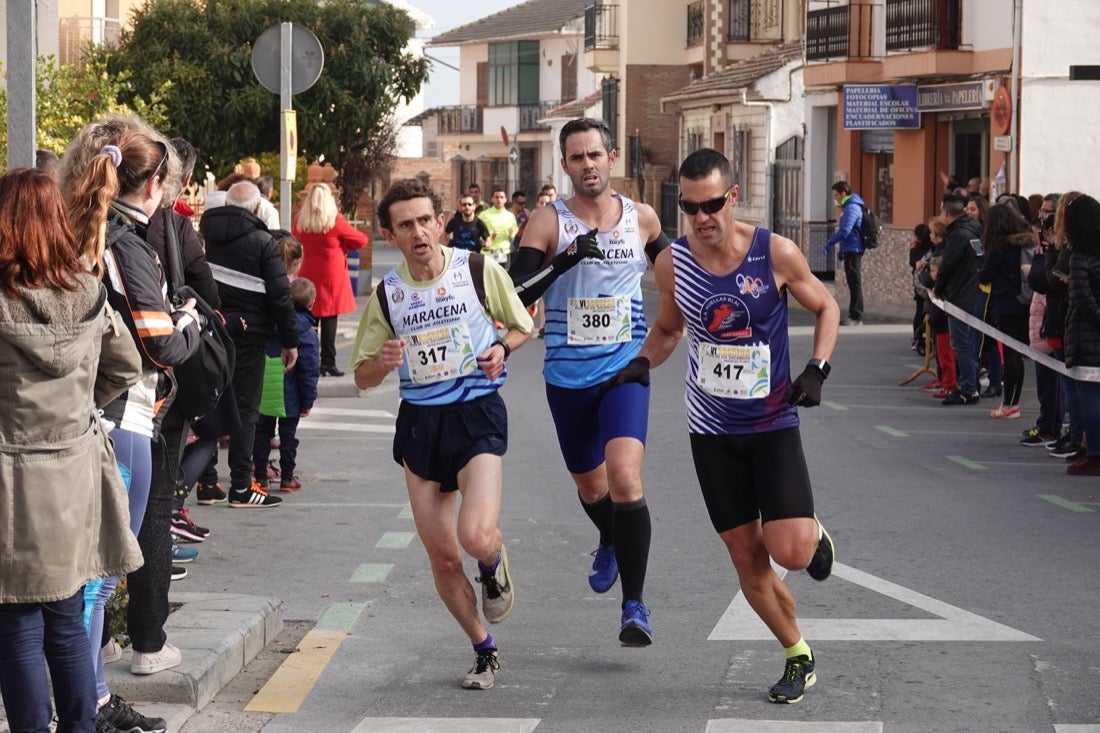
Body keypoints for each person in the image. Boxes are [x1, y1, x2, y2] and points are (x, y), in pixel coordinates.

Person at [610, 147, 837, 704]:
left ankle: (812, 533)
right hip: (711, 432)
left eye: (711, 204)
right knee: (745, 557)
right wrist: (642, 360)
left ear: (732, 196)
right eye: (690, 208)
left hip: (773, 422)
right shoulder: (673, 265)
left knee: (791, 553)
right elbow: (667, 331)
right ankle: (797, 654)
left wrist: (817, 369)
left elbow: (826, 307)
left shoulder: (775, 253)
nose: (702, 217)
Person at [350, 178, 533, 690]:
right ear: (390, 234)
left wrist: (502, 348)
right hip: (421, 423)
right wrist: (382, 364)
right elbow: (361, 374)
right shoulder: (388, 295)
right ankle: (483, 648)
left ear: (441, 221)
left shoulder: (475, 269)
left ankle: (494, 562)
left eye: (425, 220)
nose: (418, 232)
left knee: (475, 536)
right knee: (443, 556)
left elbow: (522, 326)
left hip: (476, 413)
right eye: (405, 225)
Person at [61, 115, 203, 732]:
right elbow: (162, 344)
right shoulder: (126, 241)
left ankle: (86, 697)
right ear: (154, 184)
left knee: (88, 574)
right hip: (121, 416)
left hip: (89, 413)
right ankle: (89, 702)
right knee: (99, 573)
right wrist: (190, 319)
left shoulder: (79, 227)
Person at [508, 117, 669, 645]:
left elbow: (675, 277)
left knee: (625, 479)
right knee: (592, 485)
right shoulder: (547, 222)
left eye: (595, 155)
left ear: (611, 157)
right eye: (576, 158)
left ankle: (636, 606)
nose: (588, 165)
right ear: (565, 165)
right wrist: (565, 260)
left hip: (624, 368)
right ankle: (608, 537)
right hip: (567, 376)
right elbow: (516, 290)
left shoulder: (641, 219)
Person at [0, 167, 144, 733]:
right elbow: (127, 367)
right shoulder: (88, 293)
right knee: (66, 620)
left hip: (11, 480)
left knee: (15, 627)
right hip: (76, 475)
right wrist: (81, 404)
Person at [200, 180, 299, 508]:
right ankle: (241, 487)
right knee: (245, 408)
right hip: (251, 336)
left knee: (209, 402)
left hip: (212, 330)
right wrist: (290, 340)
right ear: (258, 209)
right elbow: (280, 296)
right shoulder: (262, 242)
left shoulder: (205, 237)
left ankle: (207, 481)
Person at [293, 182, 367, 377]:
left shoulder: (300, 221)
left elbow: (294, 240)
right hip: (331, 274)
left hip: (309, 273)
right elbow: (361, 239)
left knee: (310, 320)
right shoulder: (335, 220)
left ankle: (310, 361)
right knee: (330, 319)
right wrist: (343, 247)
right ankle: (328, 362)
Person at [253, 276, 319, 492]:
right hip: (290, 394)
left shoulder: (272, 324)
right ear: (311, 304)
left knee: (263, 434)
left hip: (266, 390)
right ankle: (287, 478)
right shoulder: (306, 333)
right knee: (288, 439)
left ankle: (260, 477)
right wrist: (307, 402)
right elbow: (309, 371)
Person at [978, 203, 1035, 419]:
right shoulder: (1024, 241)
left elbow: (985, 276)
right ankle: (1014, 402)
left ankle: (1009, 405)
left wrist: (981, 263)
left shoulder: (999, 246)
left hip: (1005, 304)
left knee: (1010, 355)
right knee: (1017, 354)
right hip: (1024, 302)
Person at [1062, 193, 1100, 476]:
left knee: (1090, 396)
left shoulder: (1079, 257)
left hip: (1087, 337)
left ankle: (1095, 453)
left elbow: (1084, 300)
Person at [932, 193, 983, 405]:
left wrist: (938, 287)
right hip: (973, 293)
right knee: (968, 342)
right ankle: (972, 384)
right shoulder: (974, 231)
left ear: (945, 213)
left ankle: (969, 387)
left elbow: (948, 265)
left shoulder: (958, 235)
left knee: (961, 343)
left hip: (960, 296)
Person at [823, 181, 866, 326]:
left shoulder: (852, 207)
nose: (835, 198)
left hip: (853, 249)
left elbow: (845, 231)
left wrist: (830, 242)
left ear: (843, 193)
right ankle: (854, 314)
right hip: (850, 249)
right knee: (853, 282)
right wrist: (841, 250)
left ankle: (856, 316)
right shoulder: (849, 207)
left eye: (836, 195)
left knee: (855, 283)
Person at [478, 187, 518, 265]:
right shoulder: (484, 215)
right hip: (488, 252)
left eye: (501, 197)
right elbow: (477, 233)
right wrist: (489, 237)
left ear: (506, 199)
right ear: (492, 199)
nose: (499, 200)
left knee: (504, 276)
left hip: (504, 252)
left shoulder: (510, 216)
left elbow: (515, 233)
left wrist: (511, 233)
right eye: (496, 197)